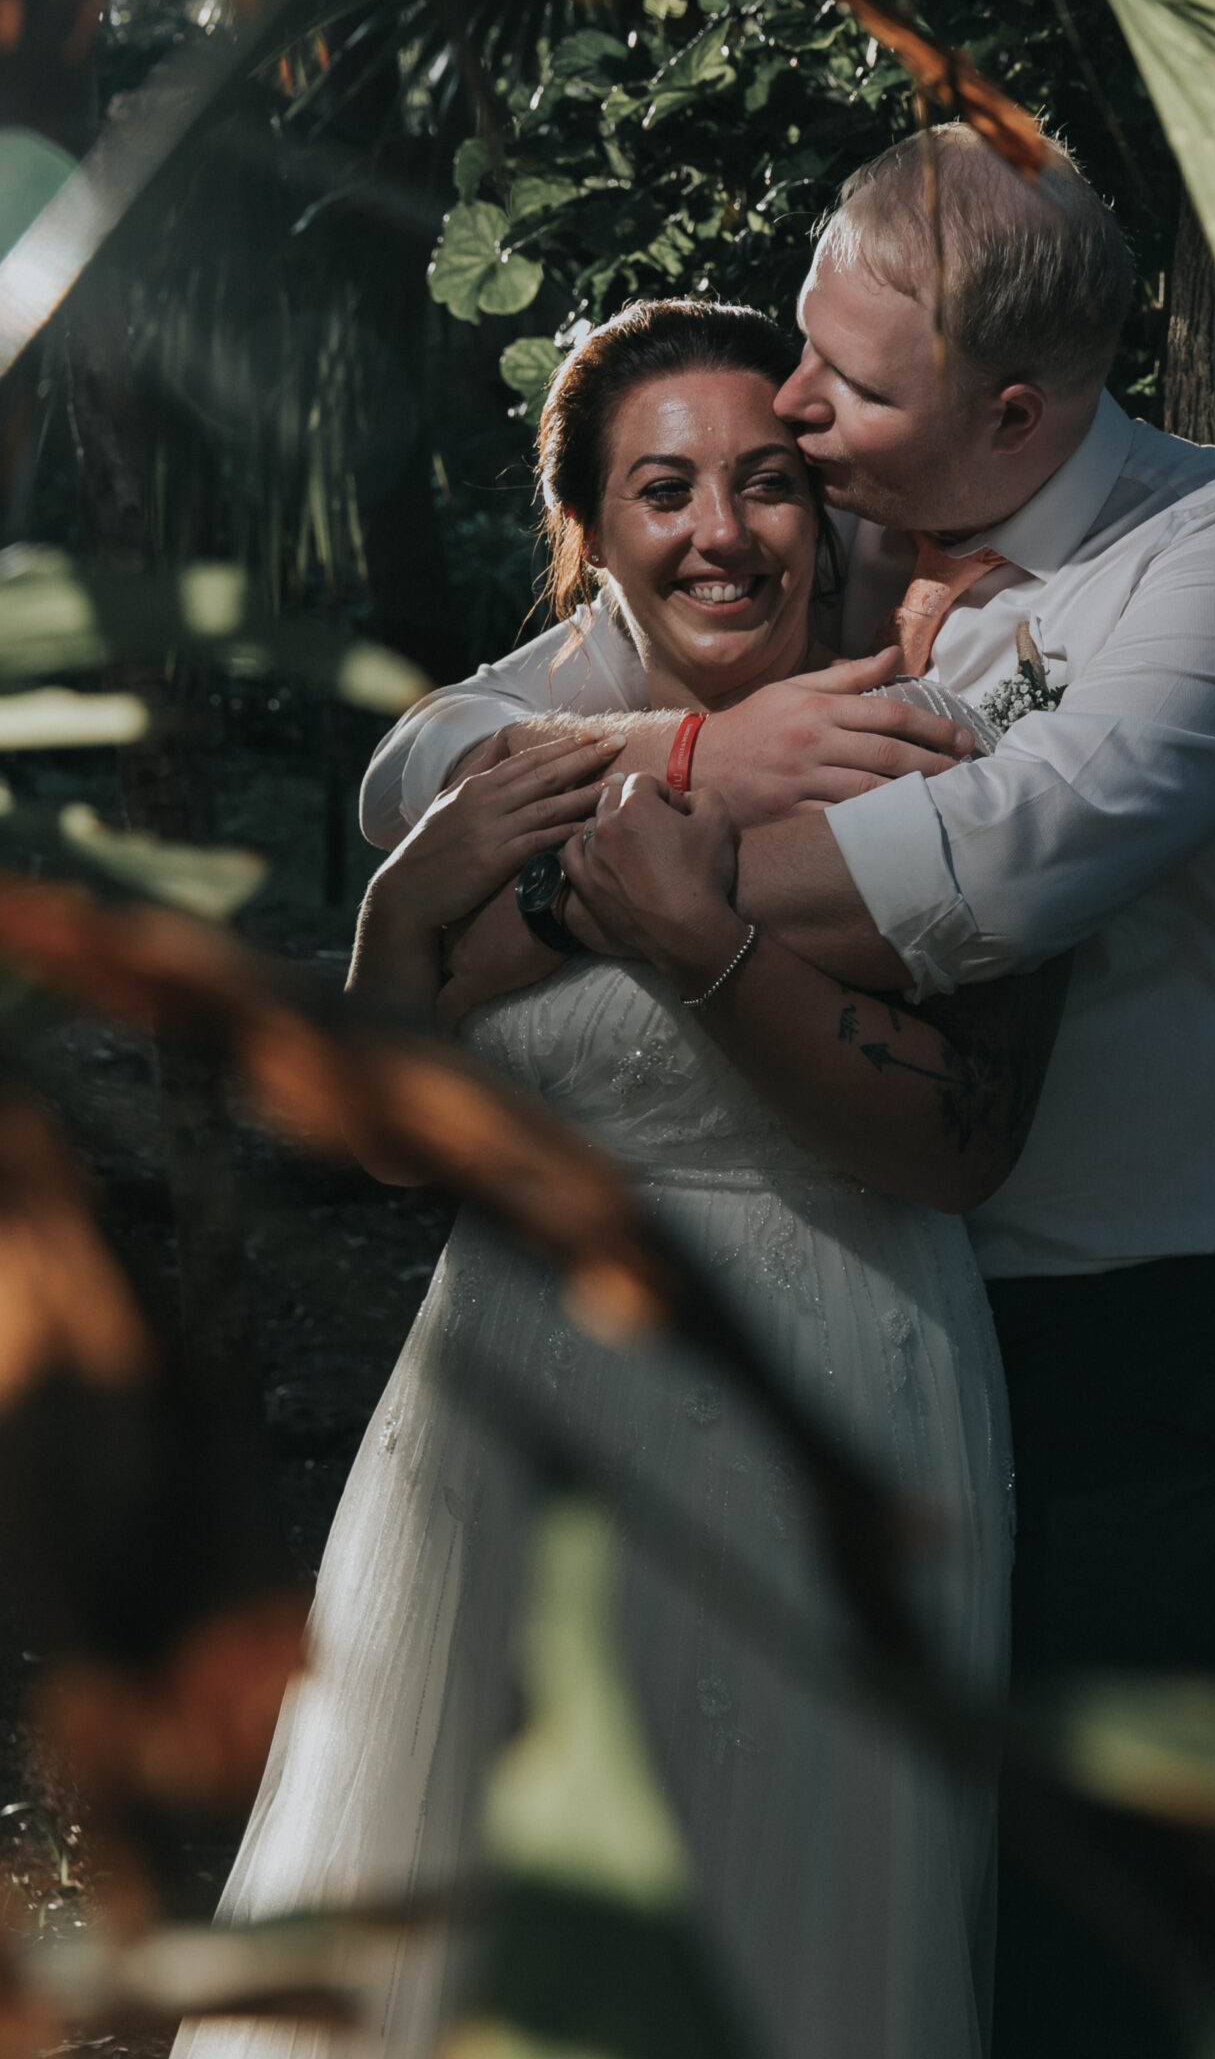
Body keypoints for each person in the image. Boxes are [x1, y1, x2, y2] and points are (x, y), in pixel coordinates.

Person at [363, 124, 1215, 2057]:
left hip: (1123, 1323)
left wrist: (558, 895)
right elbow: (457, 746)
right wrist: (695, 762)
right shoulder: (846, 523)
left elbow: (980, 876)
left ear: (1011, 412)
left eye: (843, 384)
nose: (797, 415)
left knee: (1053, 1942)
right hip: (854, 1330)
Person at [183, 299, 1071, 2059]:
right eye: (664, 491)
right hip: (507, 1399)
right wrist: (392, 921)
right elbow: (381, 1132)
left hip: (828, 1383)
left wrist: (703, 944)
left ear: (828, 515)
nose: (721, 532)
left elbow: (964, 1149)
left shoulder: (934, 727)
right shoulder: (511, 769)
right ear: (591, 534)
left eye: (765, 485)